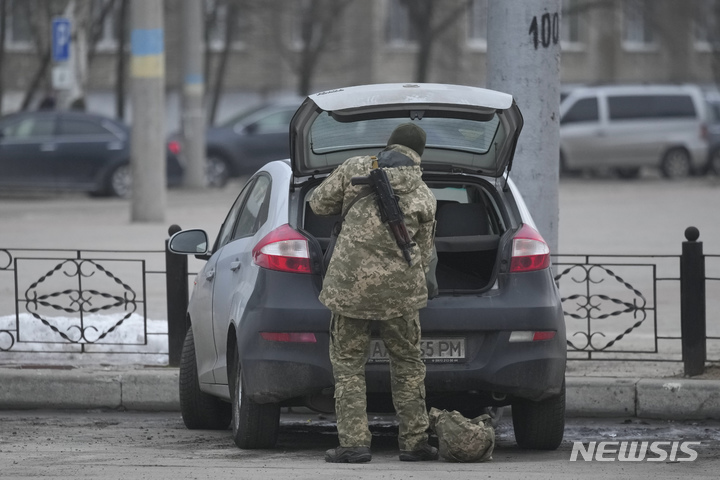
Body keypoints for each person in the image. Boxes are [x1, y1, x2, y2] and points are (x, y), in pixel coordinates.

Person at [309, 122, 438, 463]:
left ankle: (354, 444)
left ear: (389, 144)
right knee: (409, 365)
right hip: (401, 295)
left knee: (349, 366)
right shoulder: (425, 194)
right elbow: (424, 254)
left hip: (350, 289)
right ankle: (414, 444)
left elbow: (318, 205)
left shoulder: (355, 168)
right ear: (419, 155)